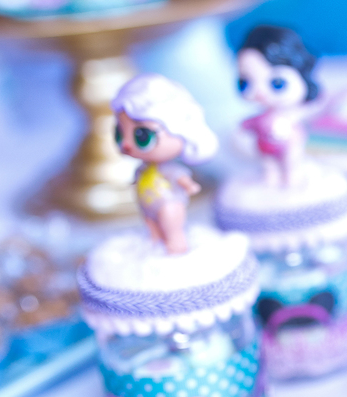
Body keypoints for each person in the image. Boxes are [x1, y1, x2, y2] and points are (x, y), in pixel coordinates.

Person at [112, 74, 218, 254]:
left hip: (168, 204)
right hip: (148, 205)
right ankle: (156, 240)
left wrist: (188, 185)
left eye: (141, 136)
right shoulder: (143, 168)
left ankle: (176, 243)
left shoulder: (170, 169)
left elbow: (180, 177)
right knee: (152, 226)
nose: (126, 144)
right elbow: (138, 178)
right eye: (119, 133)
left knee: (170, 226)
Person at [236, 25, 321, 187]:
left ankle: (292, 179)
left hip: (290, 144)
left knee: (291, 163)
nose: (260, 92)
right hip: (264, 148)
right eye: (245, 82)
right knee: (269, 168)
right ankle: (271, 181)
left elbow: (310, 112)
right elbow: (247, 125)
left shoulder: (294, 114)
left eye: (277, 83)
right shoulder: (261, 117)